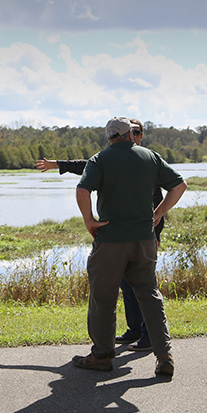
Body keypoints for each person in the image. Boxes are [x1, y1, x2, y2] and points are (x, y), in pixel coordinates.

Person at [35, 118, 161, 352]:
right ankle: (135, 329)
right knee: (126, 286)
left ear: (141, 135)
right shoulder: (114, 158)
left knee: (143, 289)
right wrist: (57, 164)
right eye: (128, 131)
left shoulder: (146, 159)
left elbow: (162, 198)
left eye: (136, 132)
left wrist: (155, 230)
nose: (131, 135)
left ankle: (149, 337)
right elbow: (89, 165)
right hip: (119, 237)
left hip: (144, 235)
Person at [73, 116, 187, 376]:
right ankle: (164, 355)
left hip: (111, 240)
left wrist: (89, 220)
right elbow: (180, 186)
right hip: (144, 240)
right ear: (129, 134)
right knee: (149, 294)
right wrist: (157, 214)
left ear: (109, 136)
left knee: (103, 298)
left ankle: (102, 355)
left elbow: (83, 190)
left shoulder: (99, 160)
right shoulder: (150, 157)